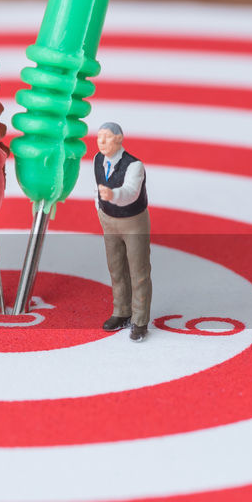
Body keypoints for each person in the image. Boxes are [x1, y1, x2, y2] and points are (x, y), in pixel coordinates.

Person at [93, 122, 152, 342]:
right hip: (109, 221)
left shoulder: (134, 165)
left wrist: (112, 196)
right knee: (116, 268)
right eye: (99, 137)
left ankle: (140, 320)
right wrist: (100, 207)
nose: (101, 142)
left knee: (138, 272)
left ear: (119, 139)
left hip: (133, 222)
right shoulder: (98, 160)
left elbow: (131, 192)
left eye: (106, 137)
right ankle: (121, 311)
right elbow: (97, 187)